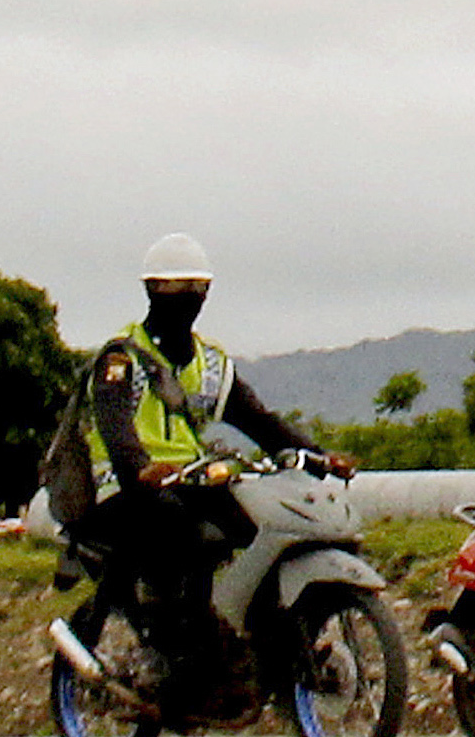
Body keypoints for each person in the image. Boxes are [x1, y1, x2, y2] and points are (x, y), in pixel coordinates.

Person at [75, 233, 348, 650]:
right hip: (120, 484)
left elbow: (259, 421)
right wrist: (141, 469)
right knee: (179, 528)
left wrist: (319, 457)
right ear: (151, 289)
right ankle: (177, 644)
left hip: (191, 478)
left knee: (255, 525)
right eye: (175, 287)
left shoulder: (212, 365)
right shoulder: (121, 358)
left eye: (196, 288)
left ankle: (251, 635)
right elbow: (115, 429)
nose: (187, 296)